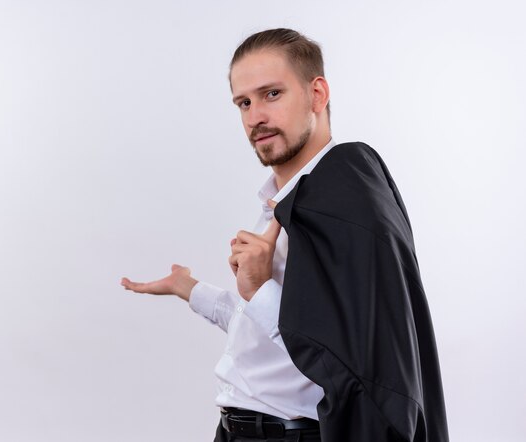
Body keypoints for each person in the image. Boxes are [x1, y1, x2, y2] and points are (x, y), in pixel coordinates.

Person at [121, 28, 449, 442]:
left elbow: (339, 352)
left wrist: (258, 287)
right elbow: (269, 333)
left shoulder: (344, 204)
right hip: (236, 430)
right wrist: (189, 289)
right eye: (244, 102)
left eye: (272, 94)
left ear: (317, 94)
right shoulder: (286, 204)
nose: (255, 116)